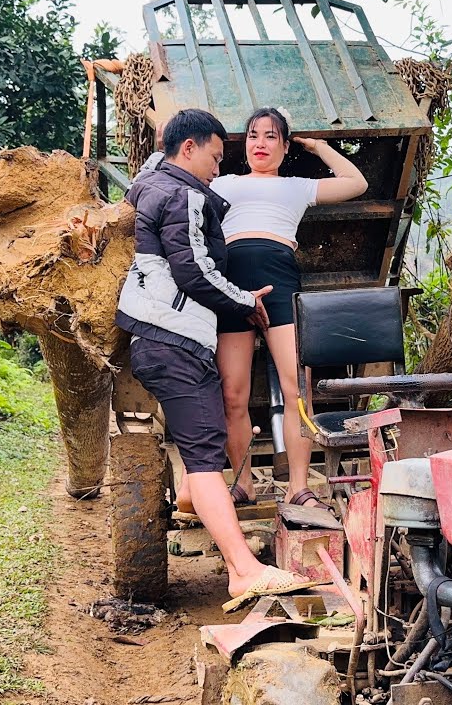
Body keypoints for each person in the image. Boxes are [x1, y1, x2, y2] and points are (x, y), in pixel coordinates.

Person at [115, 109, 309, 602]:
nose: (217, 170)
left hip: (158, 337)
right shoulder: (183, 195)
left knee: (198, 446)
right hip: (173, 338)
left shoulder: (148, 183)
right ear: (189, 148)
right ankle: (243, 569)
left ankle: (191, 496)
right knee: (204, 452)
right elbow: (195, 271)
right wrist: (249, 302)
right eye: (214, 156)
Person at [210, 107, 368, 511]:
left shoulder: (297, 186)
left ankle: (299, 486)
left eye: (270, 136)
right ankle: (242, 484)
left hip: (280, 283)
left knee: (297, 390)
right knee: (232, 394)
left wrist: (318, 147)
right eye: (252, 135)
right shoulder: (222, 183)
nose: (260, 143)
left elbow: (357, 183)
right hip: (230, 286)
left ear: (284, 145)